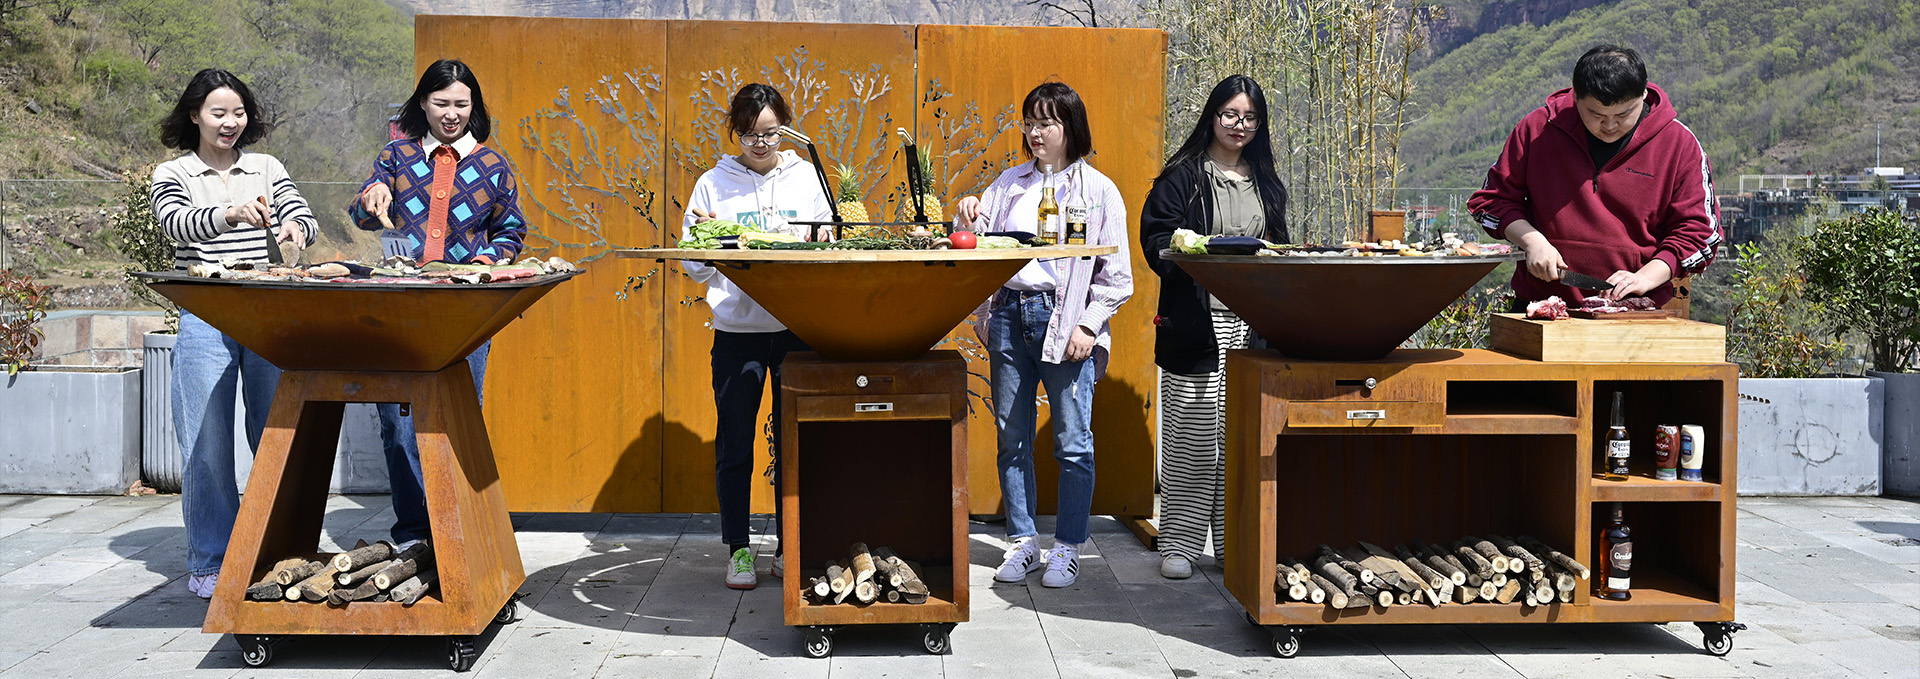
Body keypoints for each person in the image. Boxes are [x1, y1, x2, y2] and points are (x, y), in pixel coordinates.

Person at [955, 82, 1133, 589]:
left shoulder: (1099, 191)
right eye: (1030, 123)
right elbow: (974, 243)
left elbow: (1117, 276)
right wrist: (965, 212)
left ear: (1070, 128)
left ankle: (1068, 547)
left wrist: (1088, 324)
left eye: (1047, 123)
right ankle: (1022, 541)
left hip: (1066, 320)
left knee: (1073, 443)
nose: (1035, 133)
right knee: (1011, 439)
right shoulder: (1009, 184)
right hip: (1010, 315)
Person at [150, 68, 317, 598]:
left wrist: (295, 228)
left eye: (238, 113)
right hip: (207, 314)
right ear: (194, 114)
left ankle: (278, 550)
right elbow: (176, 224)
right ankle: (211, 559)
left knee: (276, 436)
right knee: (206, 442)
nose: (230, 123)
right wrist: (228, 213)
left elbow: (303, 217)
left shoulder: (266, 166)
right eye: (219, 113)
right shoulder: (170, 172)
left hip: (269, 313)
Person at [349, 59, 528, 550]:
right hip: (399, 310)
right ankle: (412, 535)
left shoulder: (492, 165)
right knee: (399, 424)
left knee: (458, 420)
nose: (452, 114)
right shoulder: (396, 155)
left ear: (475, 108)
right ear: (423, 103)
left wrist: (486, 261)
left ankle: (461, 535)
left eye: (461, 104)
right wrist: (372, 196)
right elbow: (362, 215)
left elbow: (512, 229)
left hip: (464, 313)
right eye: (442, 103)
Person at [680, 83, 832, 589]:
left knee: (797, 442)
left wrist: (820, 240)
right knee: (735, 443)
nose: (760, 144)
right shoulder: (712, 185)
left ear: (784, 129)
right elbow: (694, 267)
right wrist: (708, 238)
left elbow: (827, 245)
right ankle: (738, 548)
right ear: (735, 131)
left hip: (796, 332)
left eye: (769, 133)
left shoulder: (807, 177)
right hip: (737, 332)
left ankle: (791, 545)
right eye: (749, 134)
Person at [1138, 75, 1289, 580]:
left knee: (1239, 438)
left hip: (1251, 328)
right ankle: (1179, 543)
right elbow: (1157, 237)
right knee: (1192, 435)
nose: (1238, 125)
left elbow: (1280, 246)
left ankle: (1231, 544)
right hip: (1196, 324)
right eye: (1229, 114)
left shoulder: (1265, 181)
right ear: (1212, 116)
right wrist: (1197, 258)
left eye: (1249, 117)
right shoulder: (1184, 176)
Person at [1468, 45, 1720, 307]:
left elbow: (1699, 233)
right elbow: (1491, 202)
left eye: (1623, 114)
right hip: (1539, 306)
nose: (1610, 126)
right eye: (1596, 114)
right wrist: (1531, 241)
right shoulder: (1538, 129)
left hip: (1638, 310)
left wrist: (1646, 277)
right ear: (1575, 96)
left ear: (1643, 94)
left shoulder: (1679, 144)